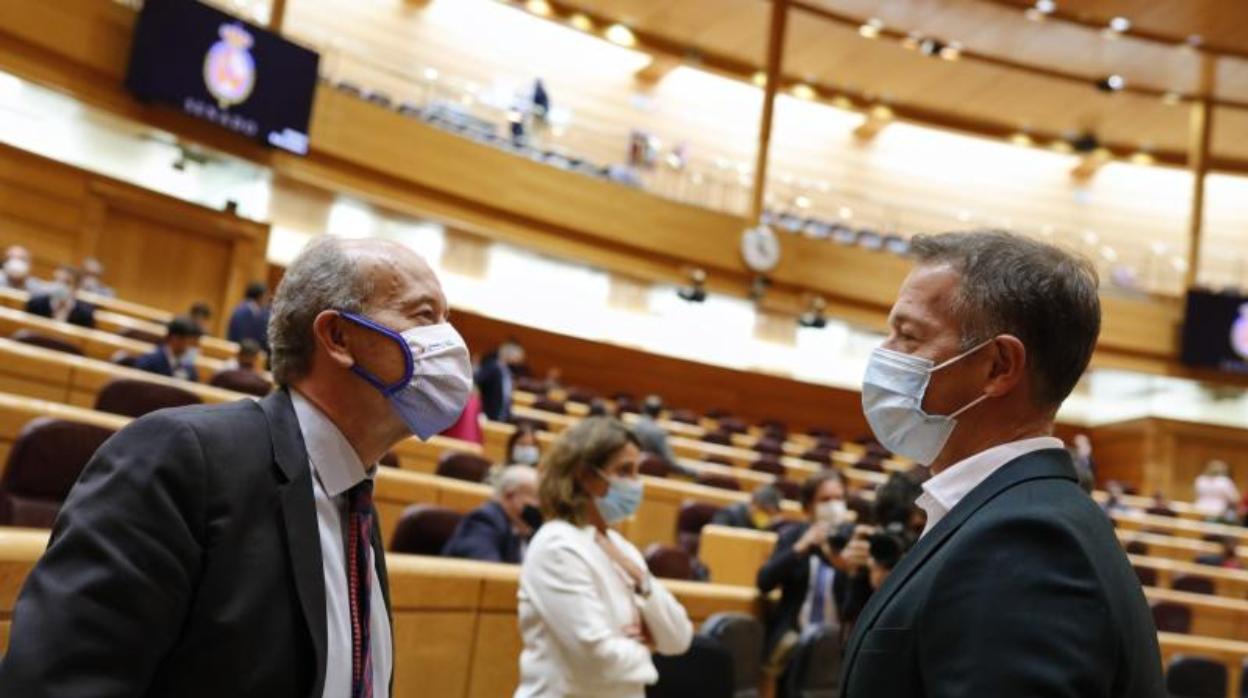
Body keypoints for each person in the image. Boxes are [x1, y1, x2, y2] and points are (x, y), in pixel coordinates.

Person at [0, 236, 474, 696]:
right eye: (424, 315)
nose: (448, 341)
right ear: (337, 337)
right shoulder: (181, 457)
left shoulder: (355, 501)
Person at [840, 231, 1163, 696]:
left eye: (908, 336)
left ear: (998, 367)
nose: (884, 354)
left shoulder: (1026, 544)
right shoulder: (1009, 514)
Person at [516, 417, 693, 697]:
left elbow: (679, 638)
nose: (636, 483)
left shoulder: (622, 548)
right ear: (584, 475)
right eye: (624, 471)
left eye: (637, 471)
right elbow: (596, 657)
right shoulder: (557, 545)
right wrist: (646, 648)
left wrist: (643, 582)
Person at [757, 471, 867, 668]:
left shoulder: (854, 541)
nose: (834, 505)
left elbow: (860, 604)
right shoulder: (793, 536)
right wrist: (800, 548)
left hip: (839, 645)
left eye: (839, 498)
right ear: (809, 507)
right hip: (794, 643)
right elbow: (764, 582)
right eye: (825, 499)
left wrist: (847, 569)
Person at [443, 465, 541, 564]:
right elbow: (486, 571)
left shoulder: (527, 529)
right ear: (509, 495)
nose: (540, 506)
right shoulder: (484, 521)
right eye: (536, 498)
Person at [632, 395, 698, 478]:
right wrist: (696, 473)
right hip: (652, 477)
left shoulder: (630, 425)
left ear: (642, 408)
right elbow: (672, 464)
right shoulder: (658, 432)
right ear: (659, 413)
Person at [133, 315, 203, 382]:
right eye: (192, 343)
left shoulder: (189, 368)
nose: (195, 348)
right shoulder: (149, 362)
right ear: (175, 338)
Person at [24, 266, 95, 328]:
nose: (60, 287)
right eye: (57, 281)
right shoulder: (36, 304)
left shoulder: (84, 315)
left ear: (76, 288)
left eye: (67, 283)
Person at [475, 340, 524, 421]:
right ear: (508, 354)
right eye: (517, 354)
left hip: (501, 417)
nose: (519, 358)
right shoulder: (493, 367)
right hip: (488, 416)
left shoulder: (507, 371)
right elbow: (476, 381)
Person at [710, 484, 782, 530]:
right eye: (764, 511)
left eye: (770, 514)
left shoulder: (771, 525)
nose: (767, 517)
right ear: (753, 504)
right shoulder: (727, 515)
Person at [227, 280, 270, 352]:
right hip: (241, 352)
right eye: (266, 295)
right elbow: (242, 336)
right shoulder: (245, 311)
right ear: (260, 296)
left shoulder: (248, 308)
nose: (267, 299)